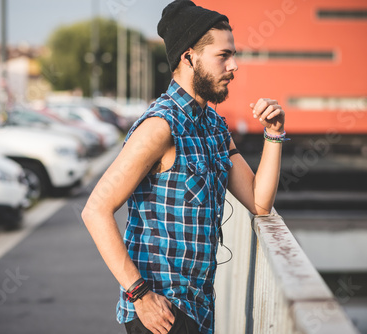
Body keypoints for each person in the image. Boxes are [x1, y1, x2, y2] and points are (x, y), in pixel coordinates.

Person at [82, 1, 287, 333]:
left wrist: (274, 135)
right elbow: (95, 210)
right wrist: (140, 295)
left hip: (199, 308)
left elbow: (259, 203)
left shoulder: (214, 127)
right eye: (223, 55)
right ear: (188, 56)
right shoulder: (160, 127)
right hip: (159, 312)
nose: (234, 66)